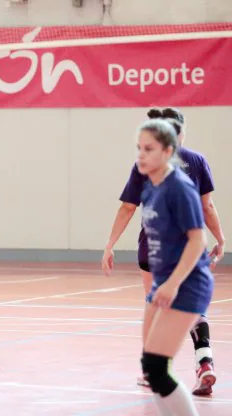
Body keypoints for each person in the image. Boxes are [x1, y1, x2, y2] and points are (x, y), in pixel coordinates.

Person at [102, 108, 223, 395]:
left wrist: (110, 243)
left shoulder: (154, 169)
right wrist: (220, 236)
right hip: (173, 248)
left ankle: (152, 367)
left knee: (157, 302)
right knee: (190, 307)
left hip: (158, 246)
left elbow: (128, 207)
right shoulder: (195, 161)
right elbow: (207, 206)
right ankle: (201, 359)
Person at [133, 118, 213, 416]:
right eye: (139, 148)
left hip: (188, 286)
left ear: (168, 151)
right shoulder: (151, 187)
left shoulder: (179, 188)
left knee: (155, 366)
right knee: (152, 368)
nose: (141, 155)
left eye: (149, 149)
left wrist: (173, 283)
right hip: (164, 284)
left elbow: (196, 240)